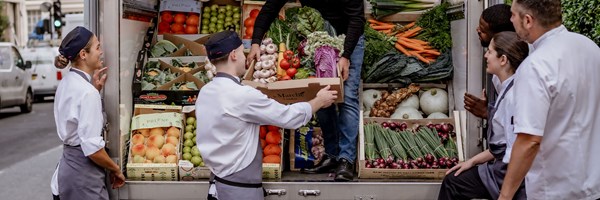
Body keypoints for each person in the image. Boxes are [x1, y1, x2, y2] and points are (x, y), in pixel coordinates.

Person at [195, 30, 337, 200]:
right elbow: (288, 117)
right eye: (242, 52)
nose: (244, 58)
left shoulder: (205, 92)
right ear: (233, 55)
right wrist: (318, 101)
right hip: (240, 192)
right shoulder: (242, 95)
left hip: (218, 185)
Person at [248, 0, 366, 182]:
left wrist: (346, 56)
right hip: (317, 41)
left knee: (347, 97)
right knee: (320, 97)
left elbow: (357, 19)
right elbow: (270, 8)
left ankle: (346, 160)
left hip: (349, 38)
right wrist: (255, 42)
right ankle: (332, 155)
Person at [499, 0, 600, 199]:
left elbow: (529, 140)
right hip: (593, 183)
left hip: (555, 189)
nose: (510, 20)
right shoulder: (590, 47)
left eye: (513, 15)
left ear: (528, 21)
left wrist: (505, 195)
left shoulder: (535, 66)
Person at [438, 32, 528, 200]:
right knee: (454, 179)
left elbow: (515, 151)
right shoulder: (505, 85)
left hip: (506, 175)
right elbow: (502, 144)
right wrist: (472, 161)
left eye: (490, 51)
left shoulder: (513, 98)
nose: (485, 55)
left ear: (503, 60)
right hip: (500, 166)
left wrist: (505, 195)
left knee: (453, 183)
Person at [51, 26, 125, 200]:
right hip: (82, 179)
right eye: (98, 47)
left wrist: (94, 90)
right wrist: (116, 169)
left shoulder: (67, 82)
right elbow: (92, 149)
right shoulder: (86, 92)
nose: (101, 52)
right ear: (83, 54)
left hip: (66, 174)